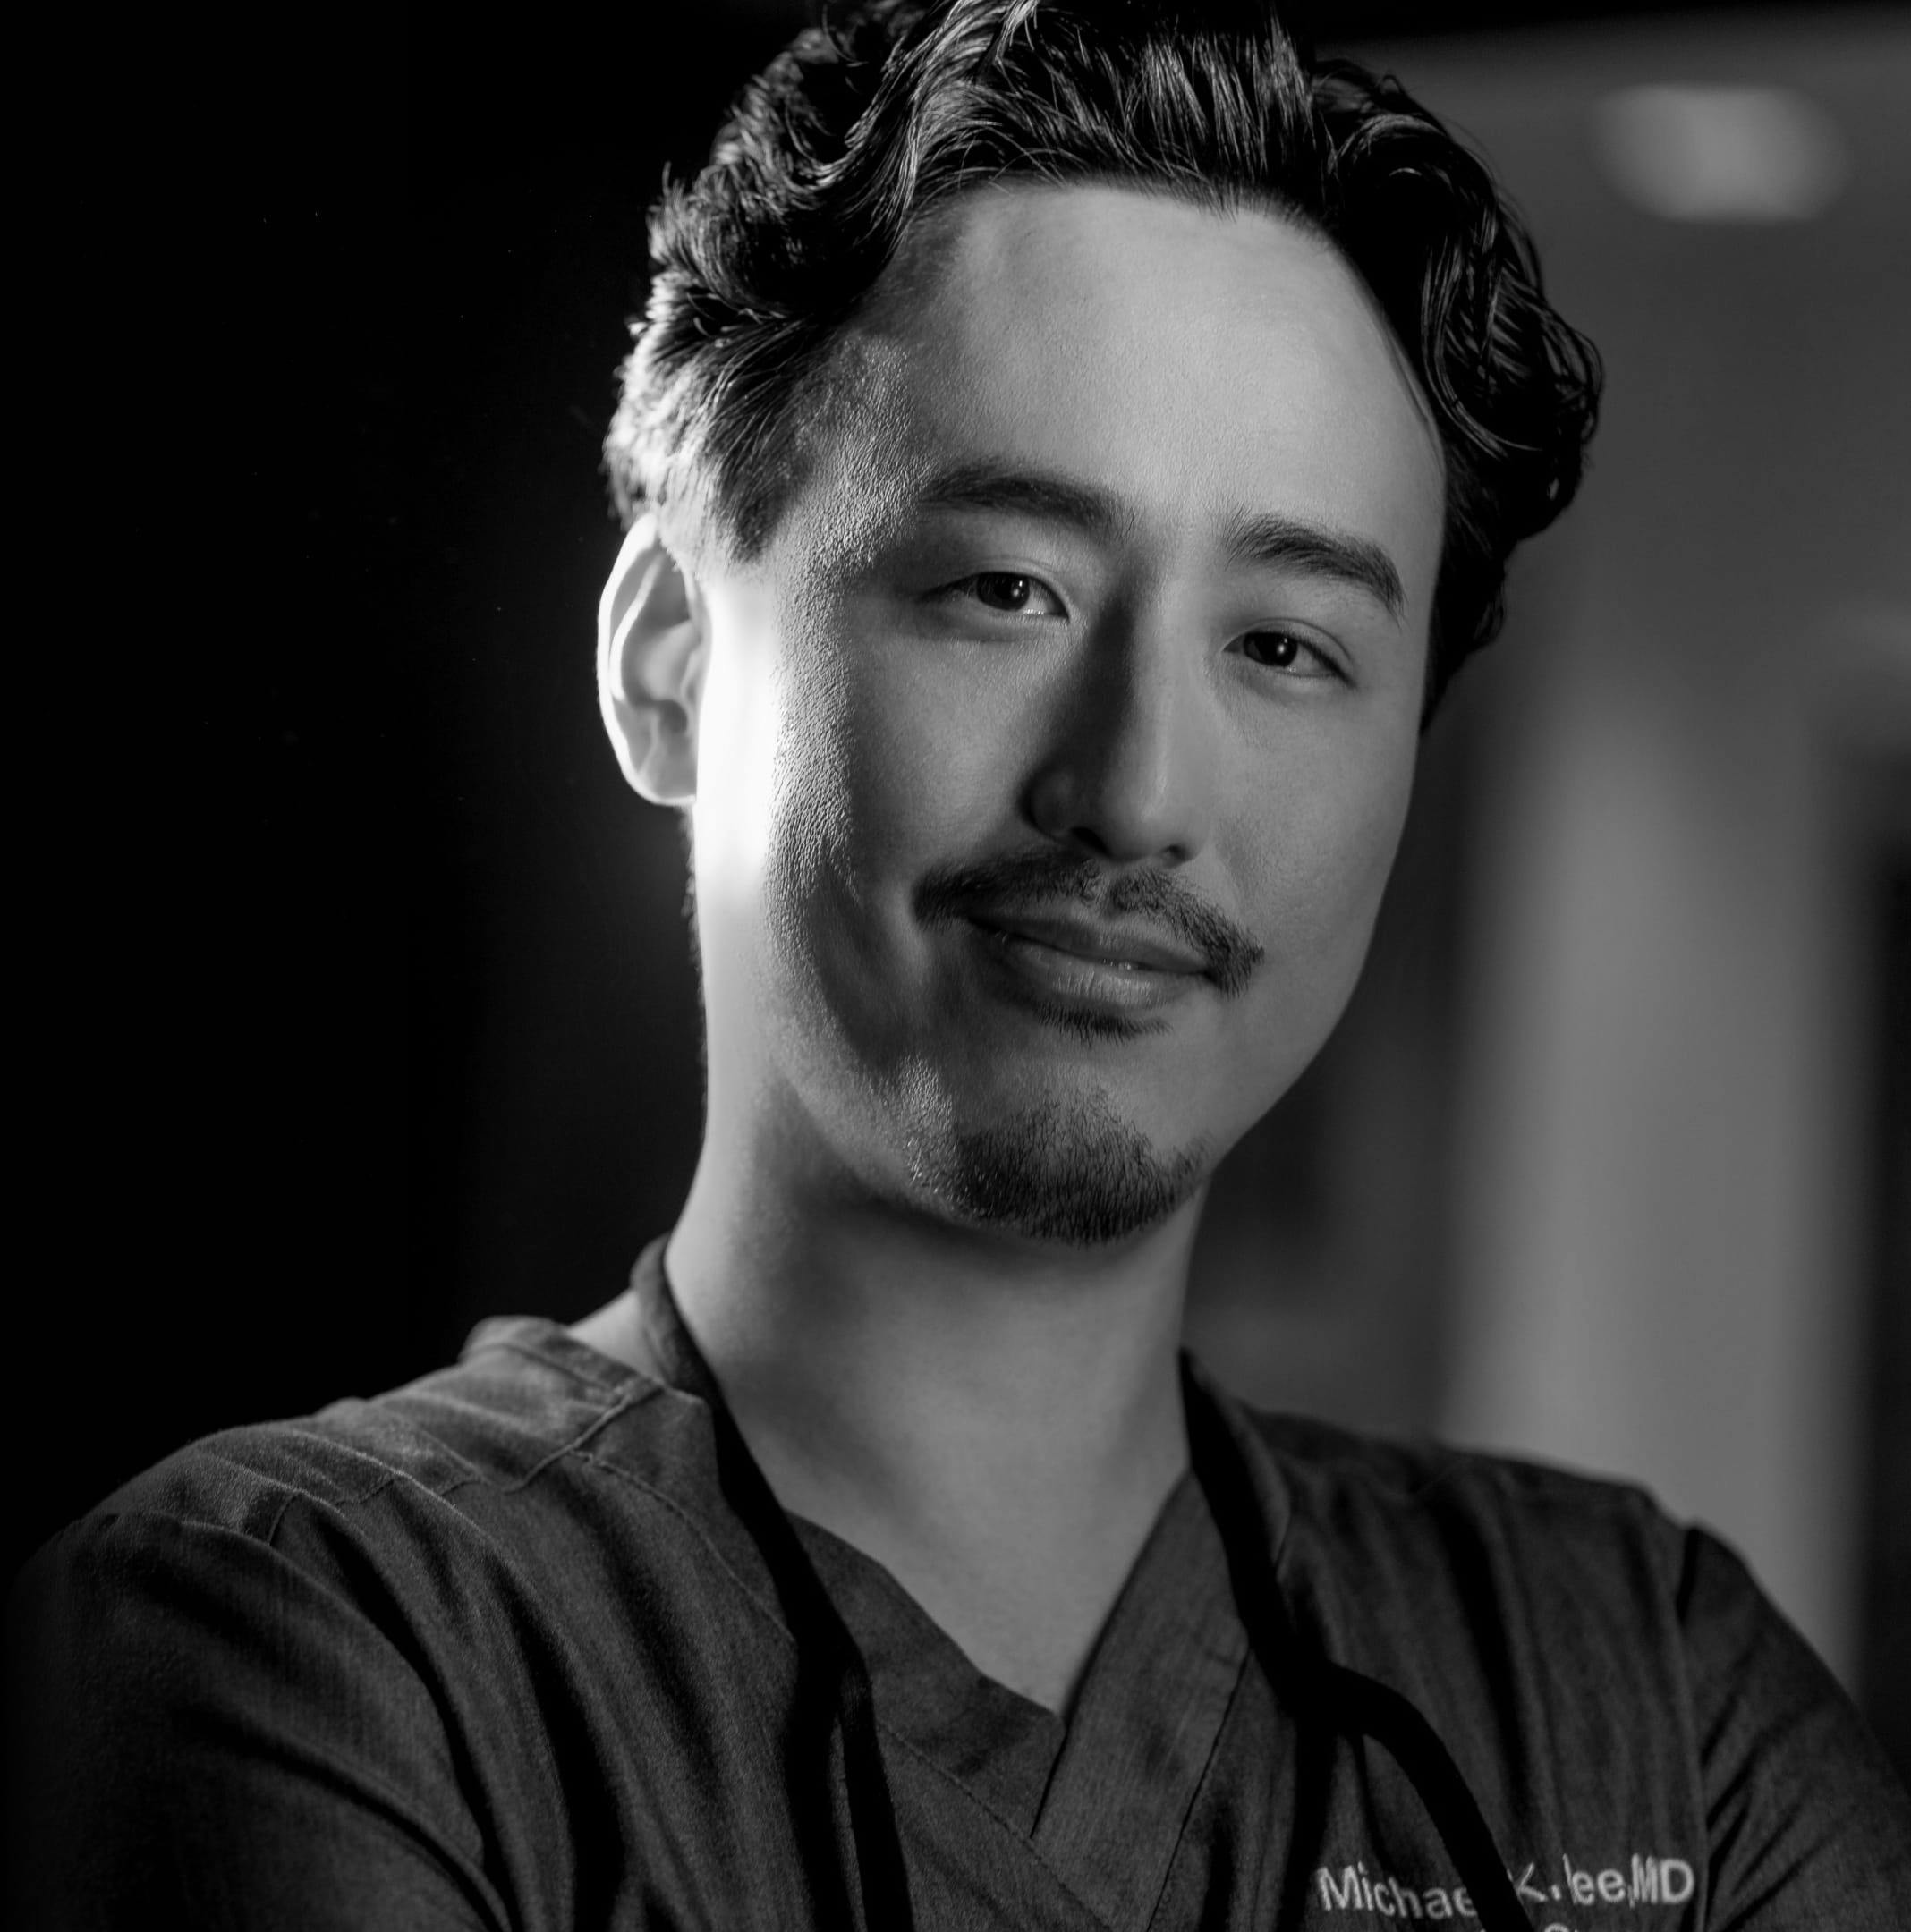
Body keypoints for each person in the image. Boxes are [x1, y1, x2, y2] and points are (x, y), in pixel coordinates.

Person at [12, 1, 1909, 1926]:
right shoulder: (319, 1645)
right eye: (1009, 589)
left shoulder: (1652, 1698)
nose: (1141, 794)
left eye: (1287, 647)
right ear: (670, 660)